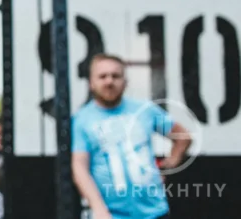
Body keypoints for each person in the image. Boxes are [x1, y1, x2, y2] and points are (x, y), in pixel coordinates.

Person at [71, 53, 192, 219]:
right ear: (91, 83)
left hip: (154, 212)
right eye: (102, 76)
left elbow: (183, 137)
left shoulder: (144, 110)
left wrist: (168, 166)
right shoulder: (81, 120)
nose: (109, 81)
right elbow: (80, 168)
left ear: (125, 82)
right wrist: (98, 209)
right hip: (111, 215)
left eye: (115, 76)